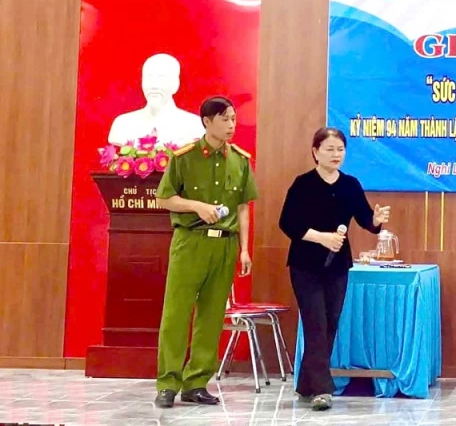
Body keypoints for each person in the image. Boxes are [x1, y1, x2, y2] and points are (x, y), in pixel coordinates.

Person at [153, 96, 258, 408]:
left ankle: (197, 382)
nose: (231, 125)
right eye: (224, 119)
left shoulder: (240, 160)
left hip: (225, 244)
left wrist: (244, 249)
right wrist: (196, 206)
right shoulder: (184, 158)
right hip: (190, 242)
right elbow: (164, 198)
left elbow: (243, 208)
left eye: (233, 119)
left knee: (211, 317)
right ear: (207, 122)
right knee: (176, 314)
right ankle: (168, 384)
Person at [278, 127, 390, 411]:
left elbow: (365, 219)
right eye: (329, 149)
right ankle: (322, 390)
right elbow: (287, 223)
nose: (335, 154)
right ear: (315, 152)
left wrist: (376, 220)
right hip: (305, 265)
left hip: (338, 266)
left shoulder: (350, 184)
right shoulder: (303, 184)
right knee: (315, 323)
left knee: (330, 324)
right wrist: (321, 237)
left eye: (340, 149)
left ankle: (307, 384)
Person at [108, 53, 205, 146]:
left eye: (161, 78)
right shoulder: (123, 125)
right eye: (149, 78)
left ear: (176, 84)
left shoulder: (195, 126)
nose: (154, 86)